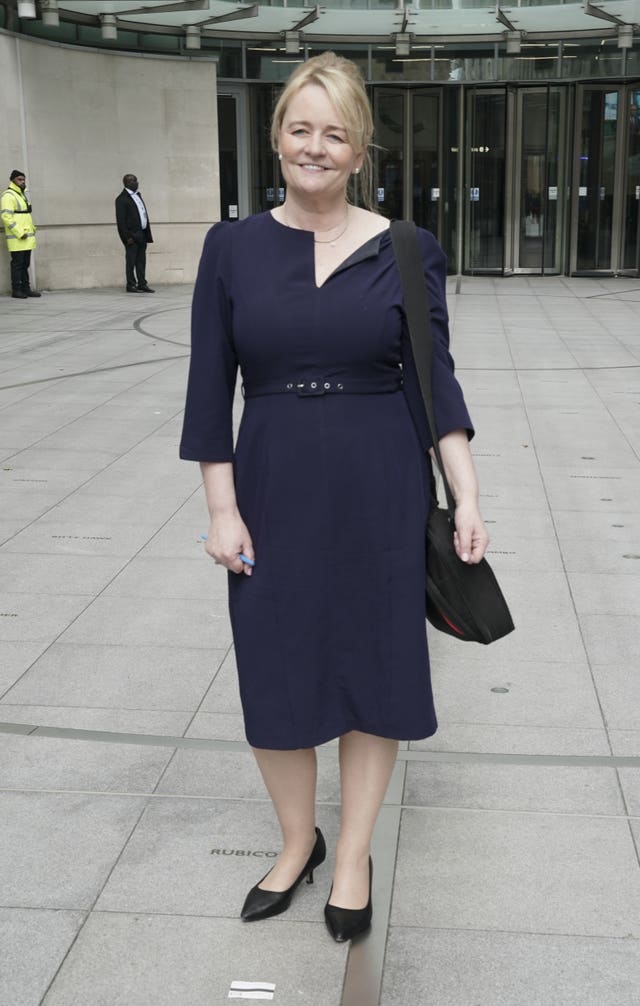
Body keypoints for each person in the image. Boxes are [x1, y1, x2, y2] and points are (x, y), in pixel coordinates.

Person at [180, 52, 488, 943]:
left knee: (373, 670)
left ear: (360, 151)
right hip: (271, 485)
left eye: (335, 134)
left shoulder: (408, 248)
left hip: (380, 486)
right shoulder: (231, 247)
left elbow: (439, 390)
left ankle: (350, 852)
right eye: (300, 128)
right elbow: (210, 392)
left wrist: (465, 496)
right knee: (273, 670)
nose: (315, 147)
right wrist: (221, 508)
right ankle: (295, 840)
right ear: (277, 137)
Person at [1, 170, 41, 299]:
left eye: (23, 180)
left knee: (25, 264)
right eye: (19, 179)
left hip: (27, 236)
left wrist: (32, 229)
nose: (22, 182)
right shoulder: (8, 195)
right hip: (18, 237)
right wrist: (19, 232)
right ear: (12, 180)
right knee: (17, 264)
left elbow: (27, 212)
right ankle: (16, 290)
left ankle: (26, 288)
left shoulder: (23, 193)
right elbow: (6, 217)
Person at [114, 173, 154, 293]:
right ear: (127, 183)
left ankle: (142, 283)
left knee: (141, 261)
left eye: (136, 180)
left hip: (141, 234)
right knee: (131, 261)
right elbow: (121, 221)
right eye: (134, 181)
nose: (137, 183)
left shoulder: (138, 196)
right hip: (131, 236)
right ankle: (131, 284)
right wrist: (127, 237)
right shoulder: (121, 199)